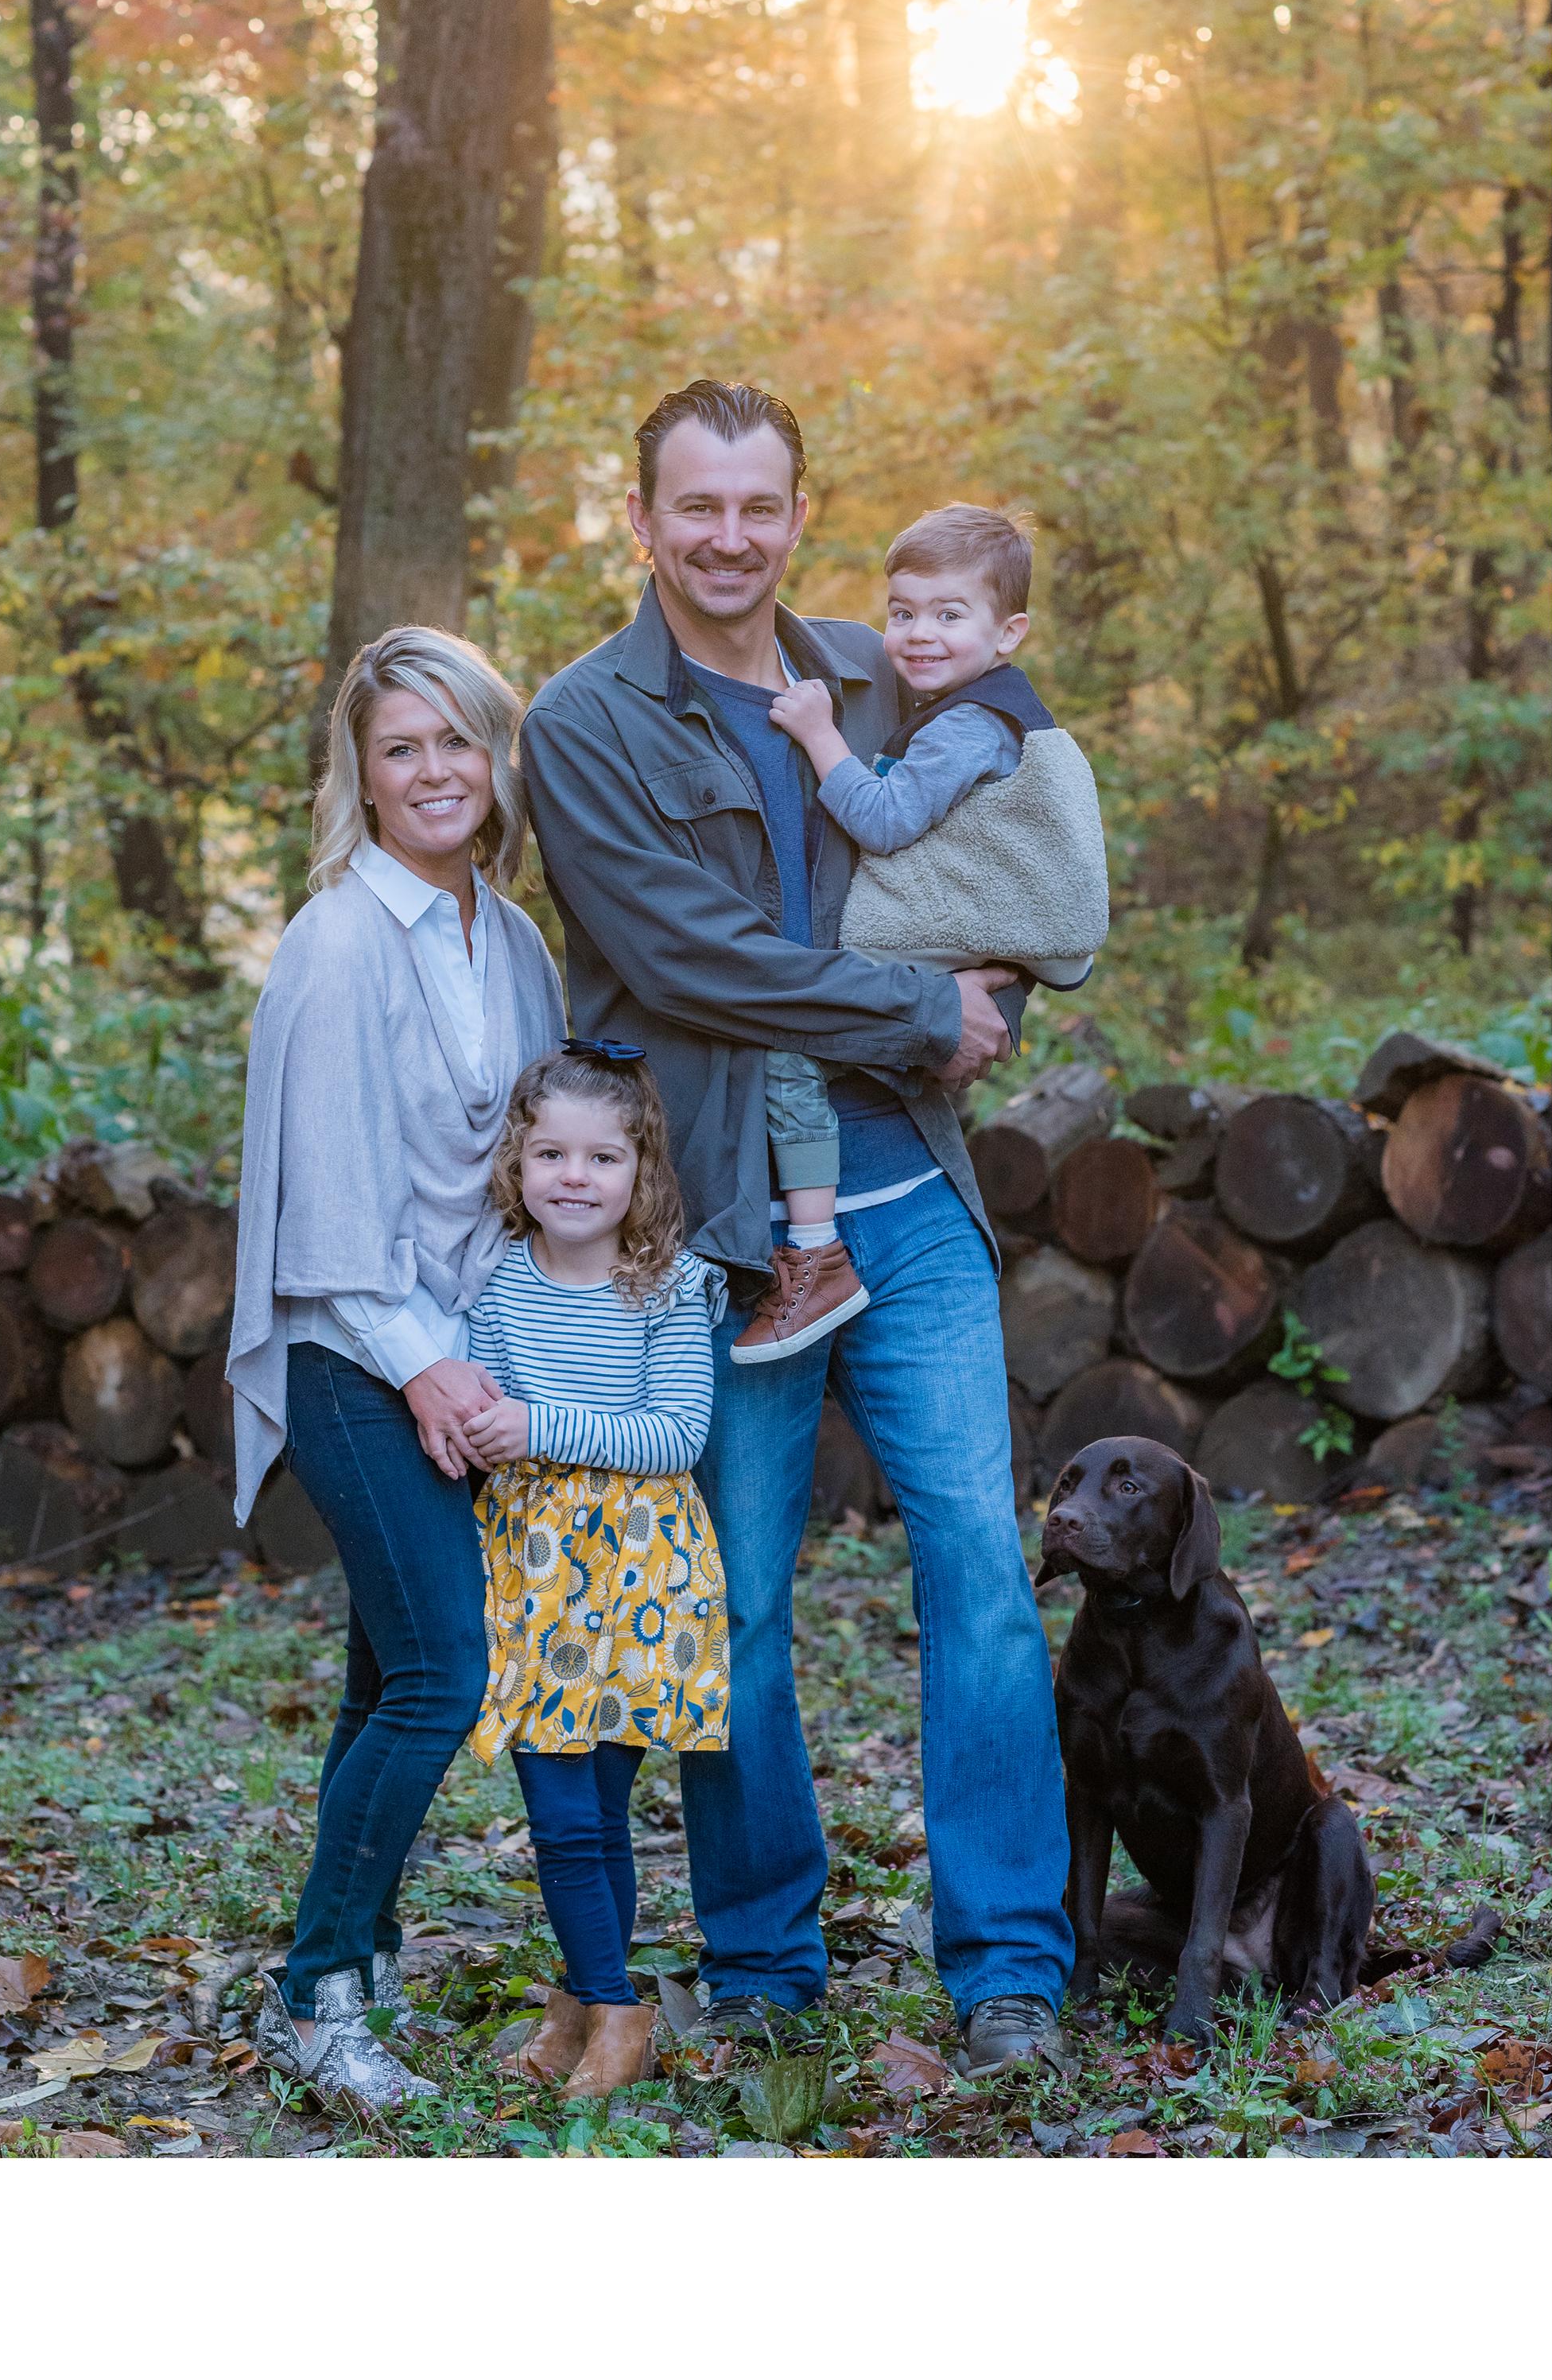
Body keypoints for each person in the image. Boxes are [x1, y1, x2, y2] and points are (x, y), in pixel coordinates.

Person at [521, 378, 1075, 2081]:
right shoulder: (584, 724)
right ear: (642, 519)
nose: (729, 537)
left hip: (909, 1203)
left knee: (982, 1574)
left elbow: (1006, 851)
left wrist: (995, 993)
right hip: (726, 1236)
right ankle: (764, 1962)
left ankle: (1009, 1967)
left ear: (798, 515)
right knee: (739, 1604)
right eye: (696, 505)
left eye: (759, 505)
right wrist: (916, 1008)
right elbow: (684, 958)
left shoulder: (878, 670)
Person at [226, 625, 565, 2117]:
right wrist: (431, 1374)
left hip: (462, 1355)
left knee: (385, 1681)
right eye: (400, 748)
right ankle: (317, 1997)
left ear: (496, 759)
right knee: (442, 1675)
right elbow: (330, 1217)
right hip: (353, 1350)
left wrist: (499, 1361)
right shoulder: (339, 942)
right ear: (360, 777)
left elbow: (527, 1171)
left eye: (457, 741)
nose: (434, 771)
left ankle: (354, 1957)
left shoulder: (517, 941)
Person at [742, 501, 1107, 1361]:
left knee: (790, 1045)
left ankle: (815, 1250)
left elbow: (885, 819)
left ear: (1008, 632)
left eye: (949, 615)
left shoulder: (967, 725)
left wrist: (819, 735)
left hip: (933, 941)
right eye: (902, 612)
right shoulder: (983, 708)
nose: (918, 634)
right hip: (969, 948)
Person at [456, 1042, 728, 2098]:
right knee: (563, 1815)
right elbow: (483, 1412)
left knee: (598, 1814)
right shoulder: (493, 1285)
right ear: (517, 1165)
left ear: (640, 1171)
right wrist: (494, 1432)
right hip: (533, 1578)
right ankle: (609, 2008)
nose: (575, 1177)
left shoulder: (668, 1287)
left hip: (639, 1579)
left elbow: (677, 1435)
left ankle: (593, 2008)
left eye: (603, 1158)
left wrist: (537, 1427)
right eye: (551, 1154)